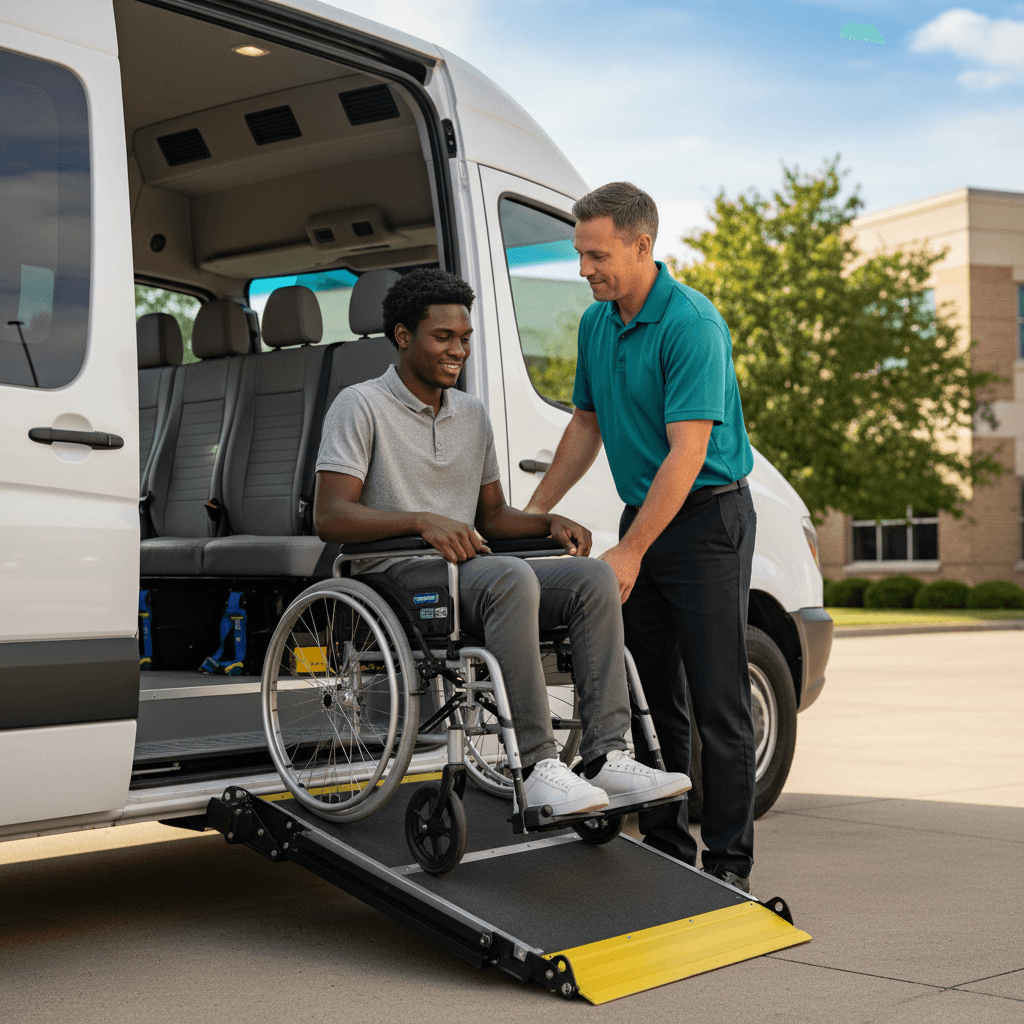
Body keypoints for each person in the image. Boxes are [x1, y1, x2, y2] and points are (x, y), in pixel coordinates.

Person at [312, 267, 689, 818]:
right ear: (402, 337)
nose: (458, 349)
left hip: (470, 570)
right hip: (395, 575)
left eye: (464, 338)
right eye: (443, 337)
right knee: (510, 576)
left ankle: (606, 753)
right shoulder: (359, 405)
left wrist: (547, 522)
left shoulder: (471, 414)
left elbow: (491, 516)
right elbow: (331, 516)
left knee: (593, 576)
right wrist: (421, 520)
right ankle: (537, 766)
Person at [524, 183, 757, 892]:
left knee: (718, 699)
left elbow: (687, 454)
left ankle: (727, 865)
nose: (585, 268)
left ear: (641, 246)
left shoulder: (691, 324)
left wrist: (631, 551)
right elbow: (584, 427)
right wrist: (530, 518)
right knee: (656, 699)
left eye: (597, 254)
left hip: (708, 519)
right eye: (579, 254)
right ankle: (664, 847)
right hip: (647, 519)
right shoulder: (598, 324)